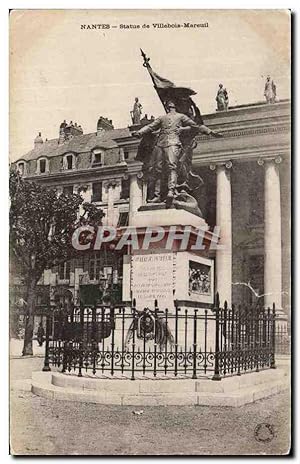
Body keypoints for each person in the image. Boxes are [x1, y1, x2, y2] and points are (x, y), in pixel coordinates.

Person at [132, 101, 221, 204]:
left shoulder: (180, 116)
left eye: (171, 107)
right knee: (158, 169)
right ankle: (158, 195)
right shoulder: (162, 118)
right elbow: (151, 126)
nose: (170, 109)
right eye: (170, 107)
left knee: (171, 167)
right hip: (161, 144)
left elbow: (195, 126)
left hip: (173, 143)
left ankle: (171, 191)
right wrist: (139, 133)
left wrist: (209, 132)